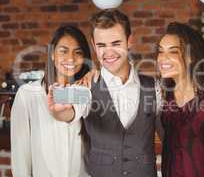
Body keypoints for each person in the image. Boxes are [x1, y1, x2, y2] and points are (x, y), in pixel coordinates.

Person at [48, 9, 162, 177]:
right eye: (101, 45)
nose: (109, 53)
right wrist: (58, 111)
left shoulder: (154, 87)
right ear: (94, 45)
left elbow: (170, 136)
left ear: (129, 41)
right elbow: (68, 110)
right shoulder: (85, 87)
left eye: (116, 44)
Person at [11, 25, 91, 177]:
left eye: (78, 52)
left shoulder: (84, 93)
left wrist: (95, 73)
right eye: (63, 50)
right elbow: (20, 155)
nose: (71, 58)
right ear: (52, 54)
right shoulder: (27, 95)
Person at [157, 22, 204, 177]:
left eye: (173, 52)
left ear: (191, 56)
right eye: (160, 52)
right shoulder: (164, 94)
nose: (162, 58)